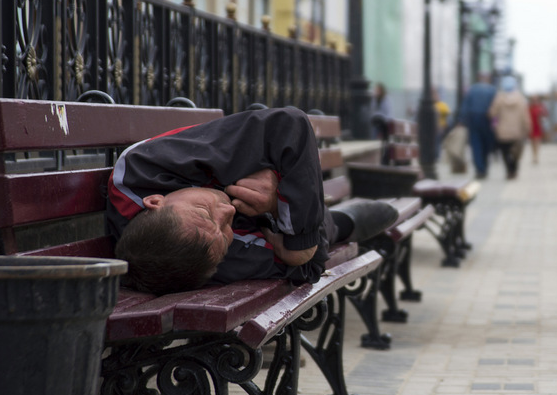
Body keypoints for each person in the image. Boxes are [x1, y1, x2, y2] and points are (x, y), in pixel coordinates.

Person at [107, 107, 398, 295]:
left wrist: (298, 243)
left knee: (312, 234)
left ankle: (334, 221)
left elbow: (288, 125)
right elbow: (309, 269)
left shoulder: (141, 168)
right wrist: (280, 212)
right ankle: (340, 222)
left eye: (205, 211)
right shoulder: (204, 258)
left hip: (271, 197)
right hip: (286, 216)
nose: (228, 211)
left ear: (155, 201)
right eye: (225, 233)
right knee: (319, 235)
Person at [488, 75, 531, 180]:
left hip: (502, 131)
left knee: (505, 152)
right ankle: (514, 170)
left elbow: (492, 113)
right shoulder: (521, 99)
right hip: (517, 132)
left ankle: (509, 171)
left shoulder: (499, 98)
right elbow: (525, 116)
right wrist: (527, 128)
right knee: (516, 153)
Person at [458, 73, 497, 179]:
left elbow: (465, 105)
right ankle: (484, 167)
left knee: (476, 145)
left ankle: (479, 169)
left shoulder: (472, 90)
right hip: (487, 119)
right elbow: (496, 107)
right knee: (486, 145)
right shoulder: (492, 90)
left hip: (473, 119)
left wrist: (462, 120)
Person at [528, 94, 549, 164]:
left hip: (539, 126)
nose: (535, 101)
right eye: (533, 99)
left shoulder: (541, 107)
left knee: (537, 141)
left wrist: (543, 118)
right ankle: (534, 154)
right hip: (531, 126)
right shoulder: (530, 107)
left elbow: (546, 115)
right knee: (532, 142)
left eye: (536, 99)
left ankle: (536, 156)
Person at [432, 88, 451, 160]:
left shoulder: (442, 105)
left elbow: (447, 114)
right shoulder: (430, 105)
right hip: (432, 128)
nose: (435, 97)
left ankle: (437, 156)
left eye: (436, 95)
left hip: (441, 127)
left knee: (437, 142)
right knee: (435, 142)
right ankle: (435, 155)